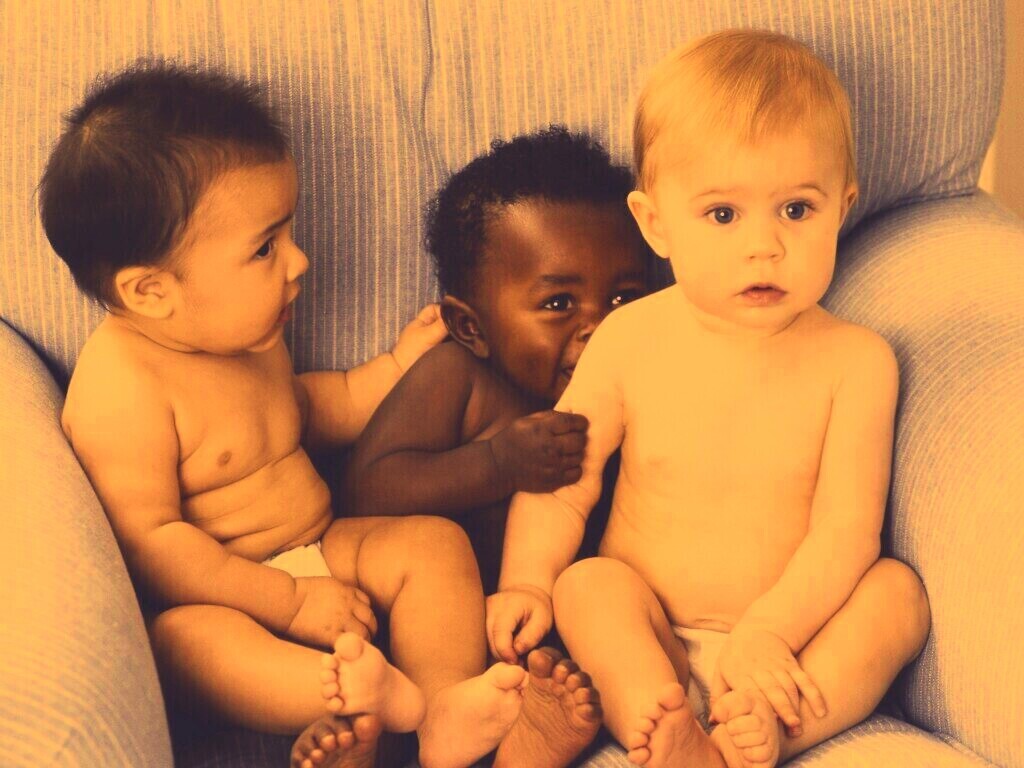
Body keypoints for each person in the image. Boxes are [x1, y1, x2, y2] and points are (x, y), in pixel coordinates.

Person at [43, 61, 571, 768]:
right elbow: (155, 543)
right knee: (184, 645)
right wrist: (287, 601)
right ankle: (348, 703)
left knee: (432, 544)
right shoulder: (122, 387)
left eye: (288, 234)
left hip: (325, 547)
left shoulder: (247, 336)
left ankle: (441, 706)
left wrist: (394, 369)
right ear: (151, 292)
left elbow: (313, 407)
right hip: (231, 597)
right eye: (264, 248)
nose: (299, 261)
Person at [487, 30, 932, 768]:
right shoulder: (630, 339)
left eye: (797, 210)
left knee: (897, 596)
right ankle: (660, 722)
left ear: (843, 208)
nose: (764, 246)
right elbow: (564, 482)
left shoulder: (857, 362)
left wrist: (768, 634)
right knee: (587, 585)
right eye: (723, 215)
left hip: (793, 640)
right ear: (655, 222)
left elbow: (846, 535)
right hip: (652, 628)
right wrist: (525, 583)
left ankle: (757, 736)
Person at [345, 127, 652, 596]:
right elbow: (365, 492)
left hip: (597, 608)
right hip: (458, 609)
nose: (601, 326)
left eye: (623, 298)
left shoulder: (647, 376)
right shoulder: (459, 378)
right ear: (471, 327)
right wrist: (497, 464)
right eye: (559, 303)